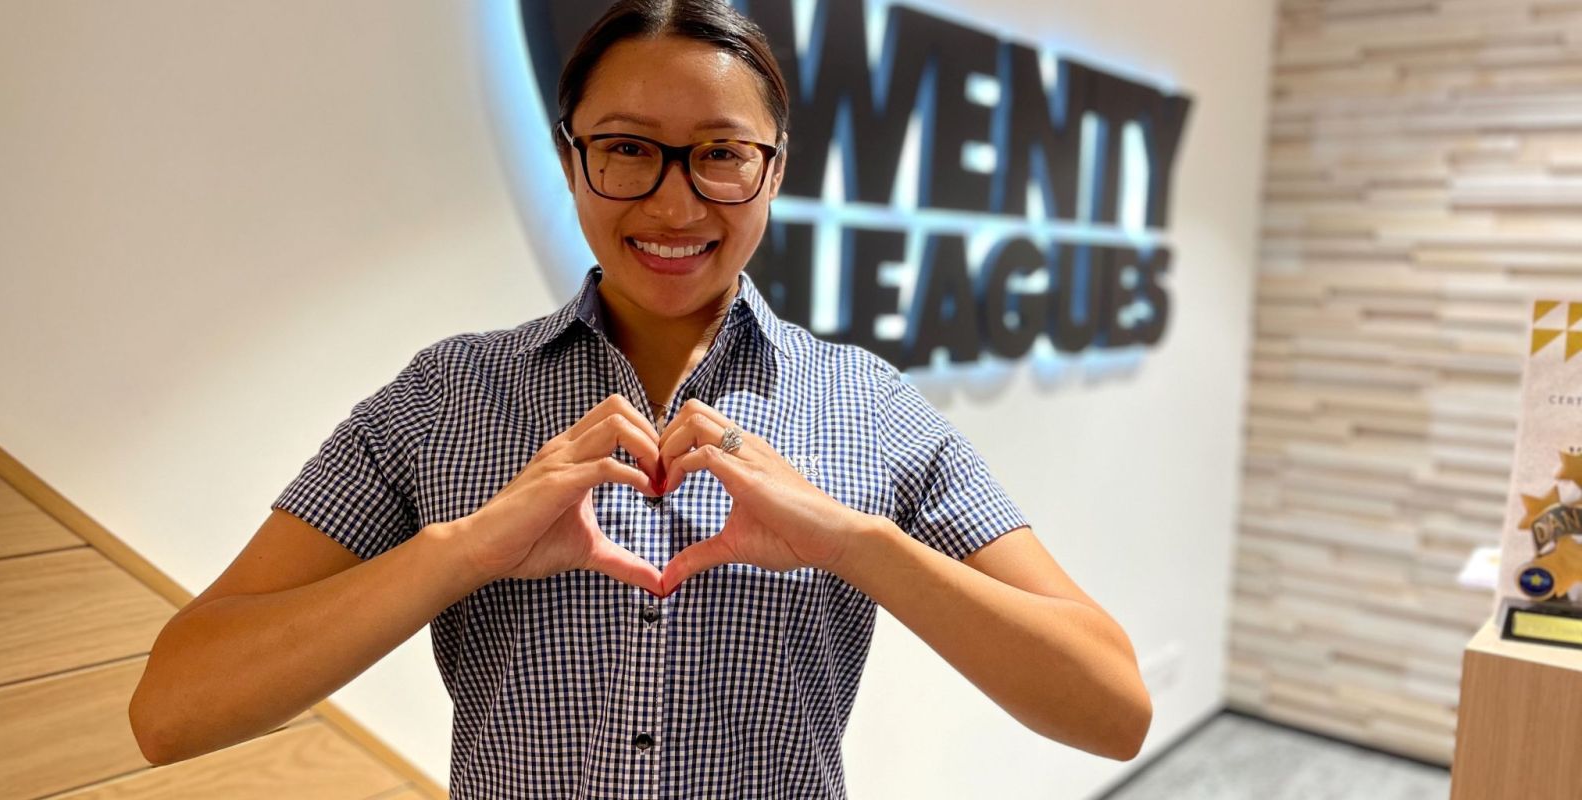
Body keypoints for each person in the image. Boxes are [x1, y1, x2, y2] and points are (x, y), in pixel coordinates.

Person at [128, 1, 1151, 796]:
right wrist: (464, 551)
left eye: (719, 153)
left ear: (772, 170)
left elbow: (1111, 706)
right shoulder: (444, 396)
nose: (673, 201)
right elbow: (172, 707)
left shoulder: (869, 405)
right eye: (625, 148)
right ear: (570, 157)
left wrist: (855, 542)